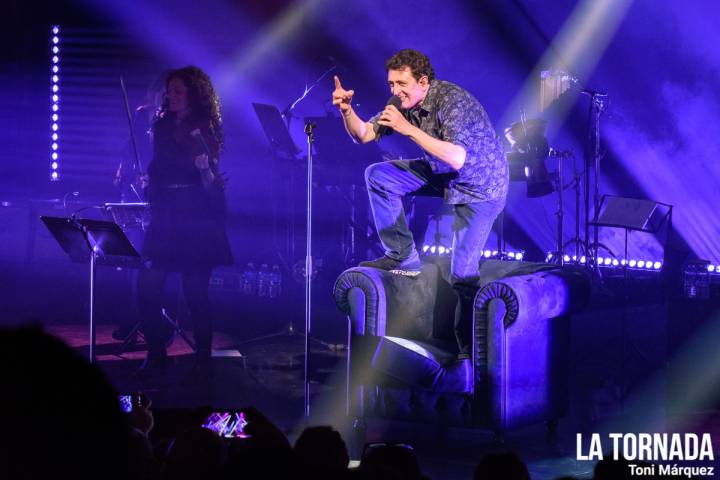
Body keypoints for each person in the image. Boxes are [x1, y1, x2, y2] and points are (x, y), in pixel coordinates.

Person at [332, 49, 508, 358]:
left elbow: (457, 158)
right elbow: (363, 134)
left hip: (481, 185)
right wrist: (347, 111)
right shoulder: (400, 102)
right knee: (379, 176)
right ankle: (402, 255)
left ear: (423, 82)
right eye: (390, 84)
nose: (395, 92)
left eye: (401, 84)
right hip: (445, 174)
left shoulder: (452, 101)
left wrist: (407, 128)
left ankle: (467, 352)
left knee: (462, 270)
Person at [138, 65, 232, 373]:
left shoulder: (204, 127)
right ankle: (155, 351)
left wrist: (205, 169)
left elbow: (212, 183)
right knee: (148, 286)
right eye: (170, 91)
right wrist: (150, 182)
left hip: (194, 217)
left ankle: (203, 360)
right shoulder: (162, 126)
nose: (172, 95)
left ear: (193, 95)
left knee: (195, 294)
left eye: (178, 91)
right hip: (166, 215)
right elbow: (157, 166)